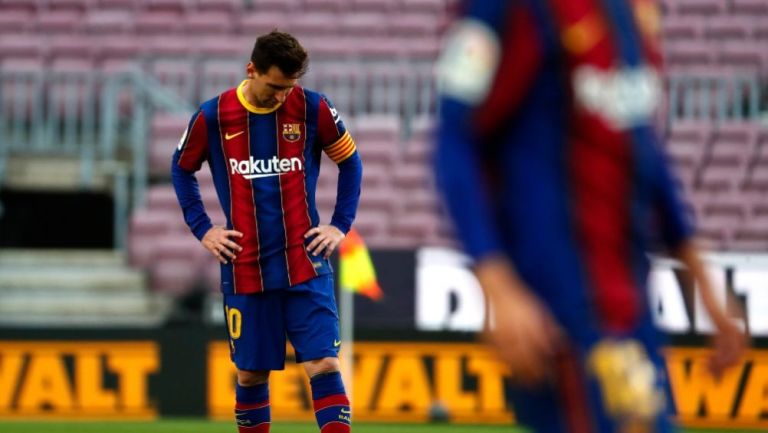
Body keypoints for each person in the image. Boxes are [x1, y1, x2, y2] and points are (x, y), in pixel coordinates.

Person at [434, 1, 746, 432]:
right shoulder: (509, 10)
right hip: (557, 308)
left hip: (632, 306)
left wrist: (705, 286)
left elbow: (643, 150)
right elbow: (454, 140)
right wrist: (497, 284)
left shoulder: (634, 15)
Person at [172, 30, 361, 433]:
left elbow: (351, 162)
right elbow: (182, 167)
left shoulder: (312, 108)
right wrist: (204, 229)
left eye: (289, 88)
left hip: (305, 263)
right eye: (275, 86)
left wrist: (340, 225)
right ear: (251, 70)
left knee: (324, 363)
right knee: (252, 375)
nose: (281, 97)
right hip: (246, 268)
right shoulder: (214, 115)